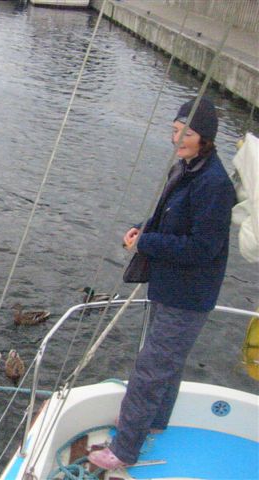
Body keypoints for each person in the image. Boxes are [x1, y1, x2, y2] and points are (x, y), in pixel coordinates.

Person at [89, 97, 237, 470]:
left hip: (188, 296)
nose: (177, 139)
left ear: (205, 137)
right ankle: (153, 421)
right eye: (174, 131)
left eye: (186, 133)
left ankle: (124, 450)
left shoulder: (213, 184)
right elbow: (169, 217)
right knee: (167, 365)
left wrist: (147, 243)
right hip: (170, 287)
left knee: (150, 369)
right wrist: (144, 226)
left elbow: (203, 248)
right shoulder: (186, 169)